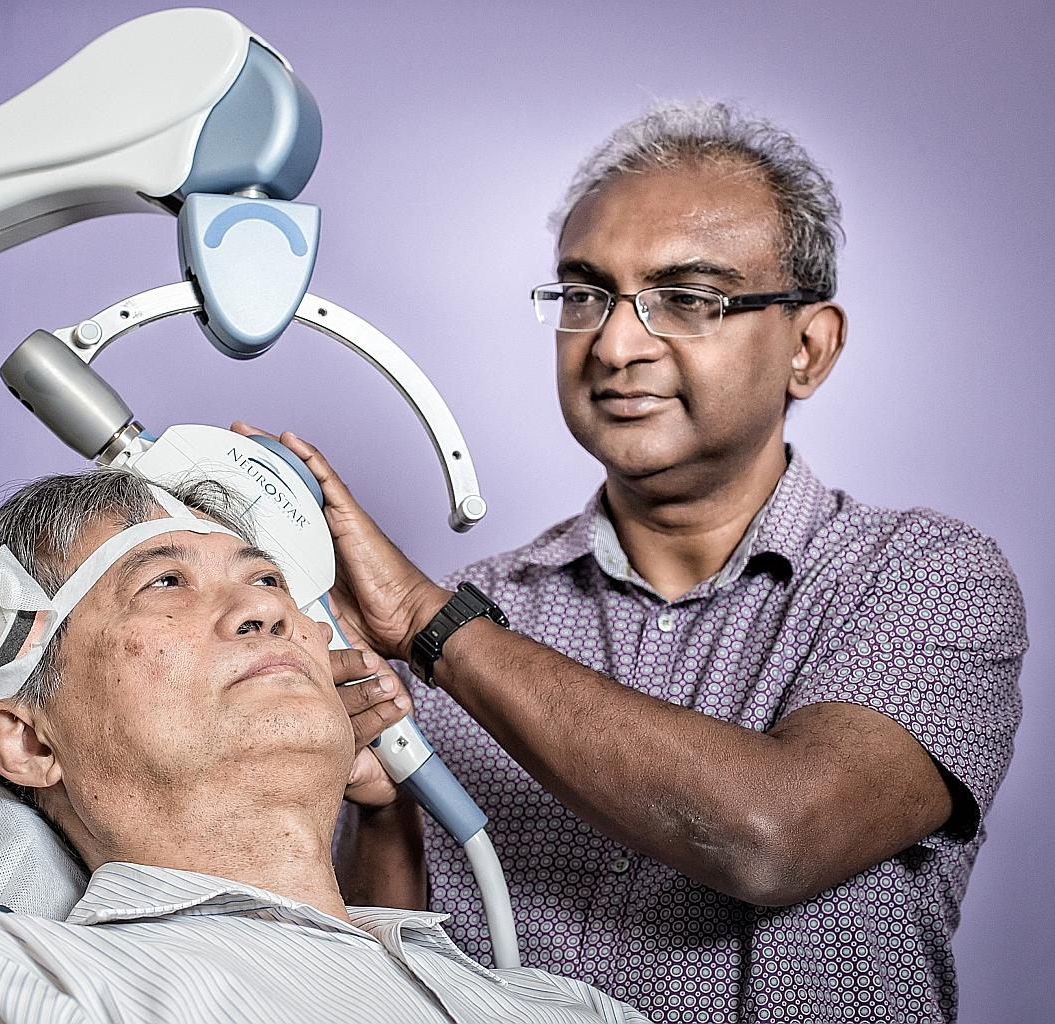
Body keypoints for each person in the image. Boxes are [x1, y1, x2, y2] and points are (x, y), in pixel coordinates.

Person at [260, 101, 1027, 1024]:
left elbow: (774, 836)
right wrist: (382, 813)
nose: (616, 345)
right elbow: (381, 981)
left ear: (809, 348)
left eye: (689, 299)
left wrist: (434, 626)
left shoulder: (928, 577)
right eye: (585, 295)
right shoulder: (486, 612)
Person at [0, 468, 646, 1023]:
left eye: (266, 581)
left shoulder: (564, 1005)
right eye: (164, 582)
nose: (263, 612)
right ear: (25, 740)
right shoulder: (5, 986)